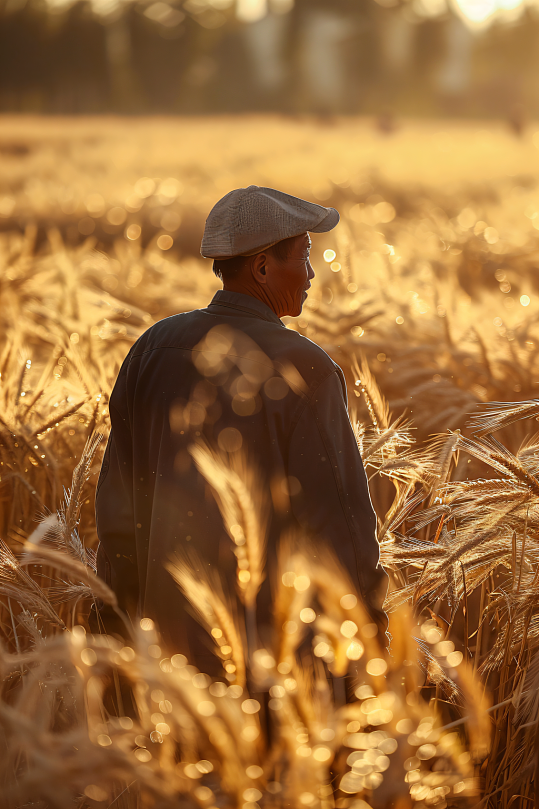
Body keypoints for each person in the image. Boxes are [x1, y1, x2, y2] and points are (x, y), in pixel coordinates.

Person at [93, 185, 388, 671]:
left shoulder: (150, 350)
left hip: (160, 657)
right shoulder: (304, 367)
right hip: (269, 661)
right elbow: (342, 527)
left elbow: (118, 514)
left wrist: (118, 632)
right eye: (305, 256)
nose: (312, 273)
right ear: (263, 268)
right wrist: (373, 635)